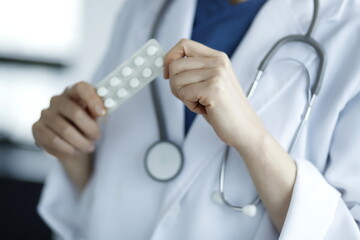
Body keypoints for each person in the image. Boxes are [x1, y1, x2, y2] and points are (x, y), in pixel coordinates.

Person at [32, 0, 360, 239]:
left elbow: (345, 230)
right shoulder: (145, 8)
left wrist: (251, 138)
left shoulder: (349, 31)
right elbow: (104, 189)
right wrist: (71, 145)